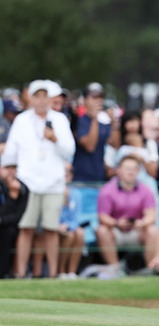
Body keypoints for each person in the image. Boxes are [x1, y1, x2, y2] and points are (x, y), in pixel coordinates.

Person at [3, 80, 75, 278]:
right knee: (26, 229)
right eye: (37, 96)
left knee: (51, 230)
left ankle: (51, 275)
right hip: (28, 183)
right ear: (31, 98)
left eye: (45, 96)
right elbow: (11, 153)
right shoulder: (22, 120)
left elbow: (69, 150)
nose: (41, 100)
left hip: (53, 183)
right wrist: (10, 175)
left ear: (50, 99)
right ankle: (20, 273)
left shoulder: (60, 120)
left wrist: (54, 139)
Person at [95, 155, 157, 268]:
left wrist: (141, 223)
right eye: (127, 168)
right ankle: (115, 268)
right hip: (116, 230)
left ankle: (151, 269)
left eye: (134, 169)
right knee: (102, 230)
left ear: (138, 171)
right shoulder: (107, 190)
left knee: (152, 230)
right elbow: (102, 216)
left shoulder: (146, 190)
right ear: (118, 170)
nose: (131, 172)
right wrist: (117, 223)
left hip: (137, 231)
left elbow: (151, 215)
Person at [0, 157, 29, 278]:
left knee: (9, 232)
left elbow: (18, 216)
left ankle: (4, 273)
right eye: (7, 168)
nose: (11, 171)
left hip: (11, 227)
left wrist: (13, 197)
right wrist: (12, 197)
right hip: (5, 225)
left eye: (14, 168)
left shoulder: (23, 189)